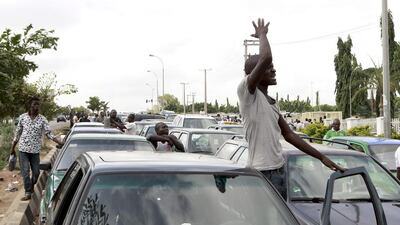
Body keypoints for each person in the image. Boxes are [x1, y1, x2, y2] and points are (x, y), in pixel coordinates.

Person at [237, 18, 344, 198]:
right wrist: (262, 34)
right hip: (261, 172)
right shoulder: (247, 94)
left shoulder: (272, 102)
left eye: (272, 68)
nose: (274, 70)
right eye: (268, 68)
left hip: (279, 169)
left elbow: (289, 135)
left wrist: (321, 157)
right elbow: (266, 57)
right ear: (255, 73)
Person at [10, 96, 64, 201]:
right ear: (30, 105)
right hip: (23, 150)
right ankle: (28, 192)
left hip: (35, 151)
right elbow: (17, 134)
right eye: (35, 104)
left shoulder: (42, 119)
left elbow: (49, 134)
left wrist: (60, 142)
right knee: (25, 172)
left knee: (36, 173)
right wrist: (12, 148)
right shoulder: (23, 118)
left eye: (38, 104)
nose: (36, 106)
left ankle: (30, 186)